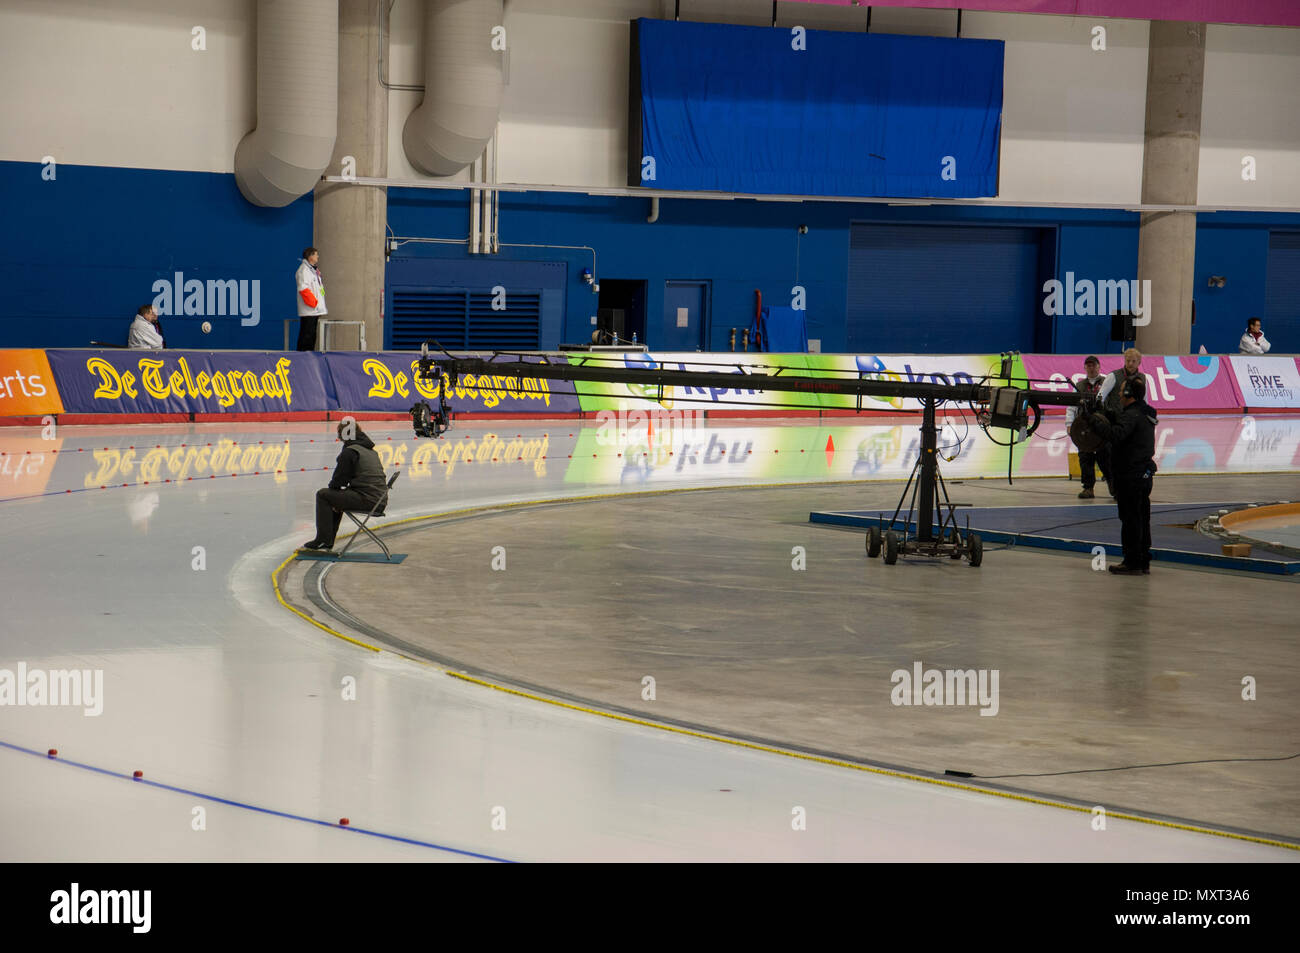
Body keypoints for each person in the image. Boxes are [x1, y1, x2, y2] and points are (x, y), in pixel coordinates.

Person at [1089, 377, 1158, 576]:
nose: (1119, 394)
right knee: (1142, 518)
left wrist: (1093, 420)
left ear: (1129, 394)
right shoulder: (1144, 412)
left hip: (1130, 475)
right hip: (1143, 474)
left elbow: (1116, 434)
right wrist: (1106, 412)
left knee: (1130, 519)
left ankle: (1132, 562)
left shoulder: (1133, 415)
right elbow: (1123, 421)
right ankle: (1143, 560)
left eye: (1121, 391)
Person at [301, 420, 387, 551]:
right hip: (378, 500)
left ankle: (323, 540)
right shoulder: (369, 450)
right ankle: (326, 540)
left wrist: (335, 494)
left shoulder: (350, 452)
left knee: (324, 495)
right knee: (335, 498)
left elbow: (338, 481)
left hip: (368, 499)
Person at [1064, 355, 1107, 498]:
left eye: (1093, 365)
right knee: (1085, 458)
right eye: (1088, 365)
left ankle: (1114, 486)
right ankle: (1088, 488)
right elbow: (1071, 407)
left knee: (1106, 458)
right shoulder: (1079, 386)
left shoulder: (1107, 382)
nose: (1091, 368)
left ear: (1099, 366)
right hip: (1084, 429)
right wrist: (1069, 424)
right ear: (1085, 368)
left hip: (1103, 427)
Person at [295, 247, 327, 351]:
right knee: (306, 335)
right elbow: (303, 288)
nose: (318, 256)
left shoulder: (313, 270)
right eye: (316, 254)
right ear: (310, 256)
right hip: (309, 309)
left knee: (312, 335)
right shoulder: (304, 270)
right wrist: (314, 303)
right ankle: (302, 356)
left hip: (314, 310)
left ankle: (308, 355)